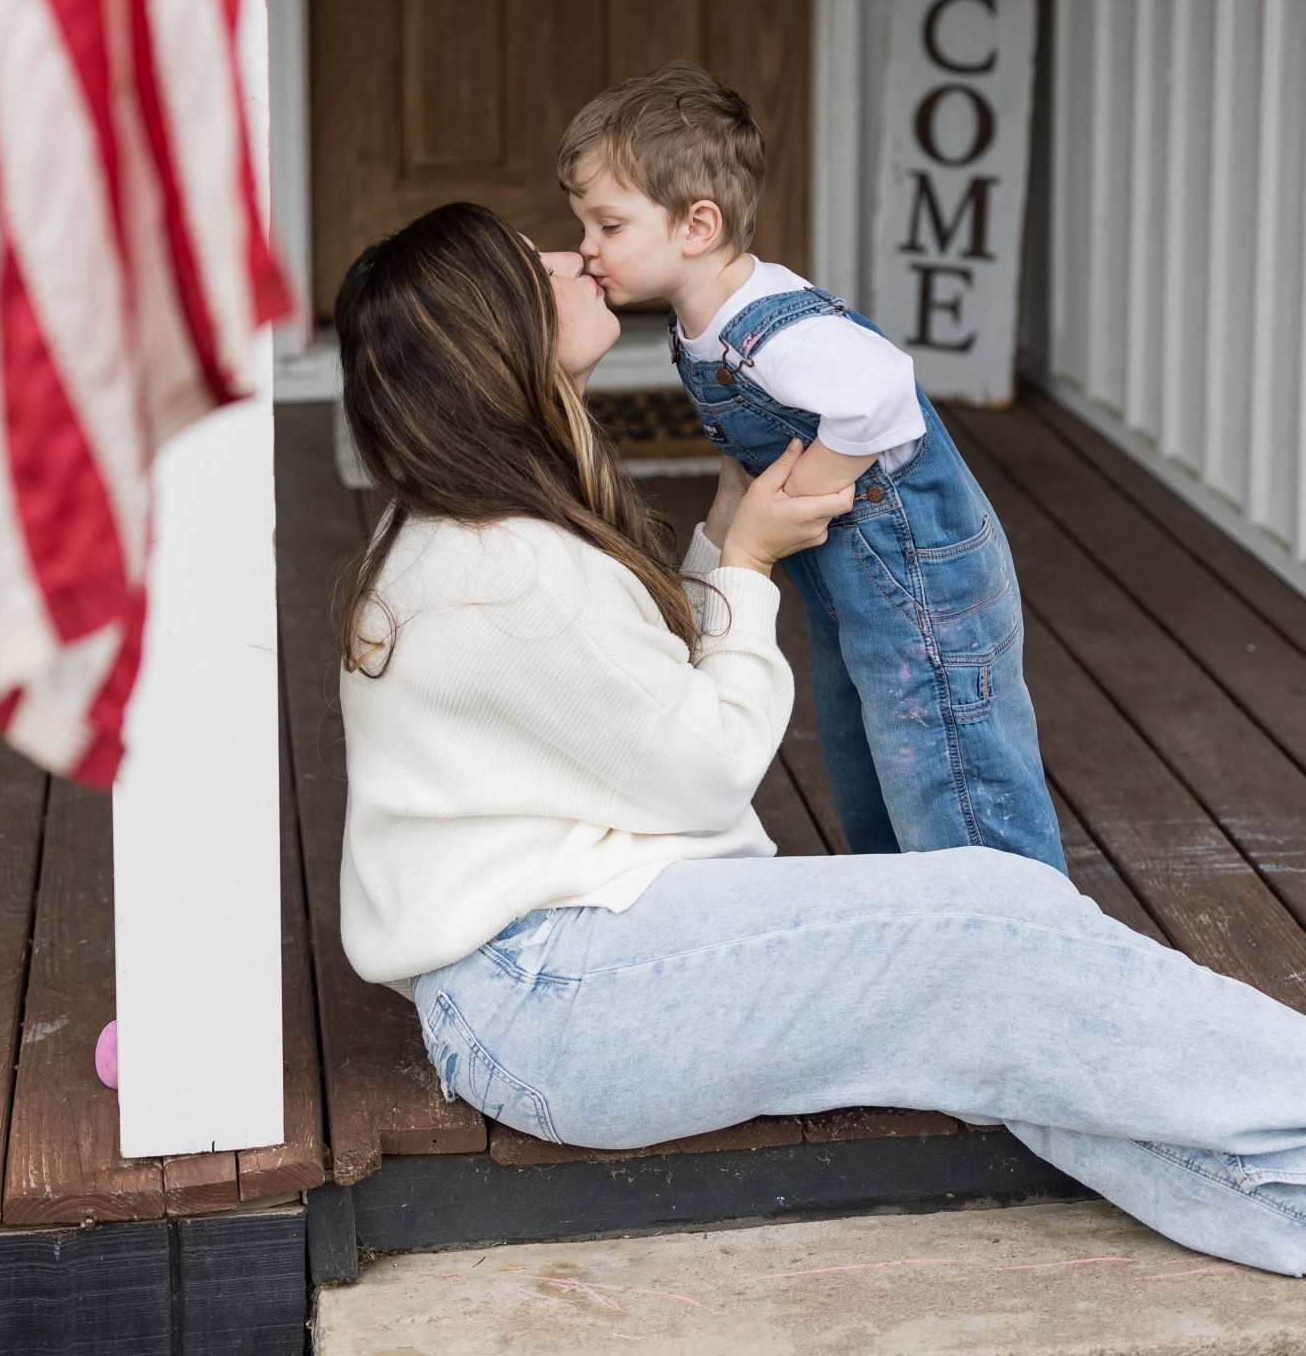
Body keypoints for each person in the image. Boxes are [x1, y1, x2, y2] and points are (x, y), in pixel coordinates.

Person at [333, 201, 1306, 1278]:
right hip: (554, 992)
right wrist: (744, 567)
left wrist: (716, 543)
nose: (573, 258)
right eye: (536, 265)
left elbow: (628, 715)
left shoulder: (473, 528)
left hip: (560, 971)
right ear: (491, 334)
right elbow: (703, 770)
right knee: (991, 922)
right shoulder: (498, 567)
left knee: (999, 1019)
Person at [557, 62, 1066, 872]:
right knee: (876, 756)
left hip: (920, 581)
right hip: (850, 583)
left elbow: (883, 391)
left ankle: (1016, 935)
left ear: (696, 226)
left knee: (952, 775)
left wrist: (806, 485)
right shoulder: (704, 320)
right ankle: (915, 915)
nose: (586, 249)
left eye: (608, 226)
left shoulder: (770, 327)